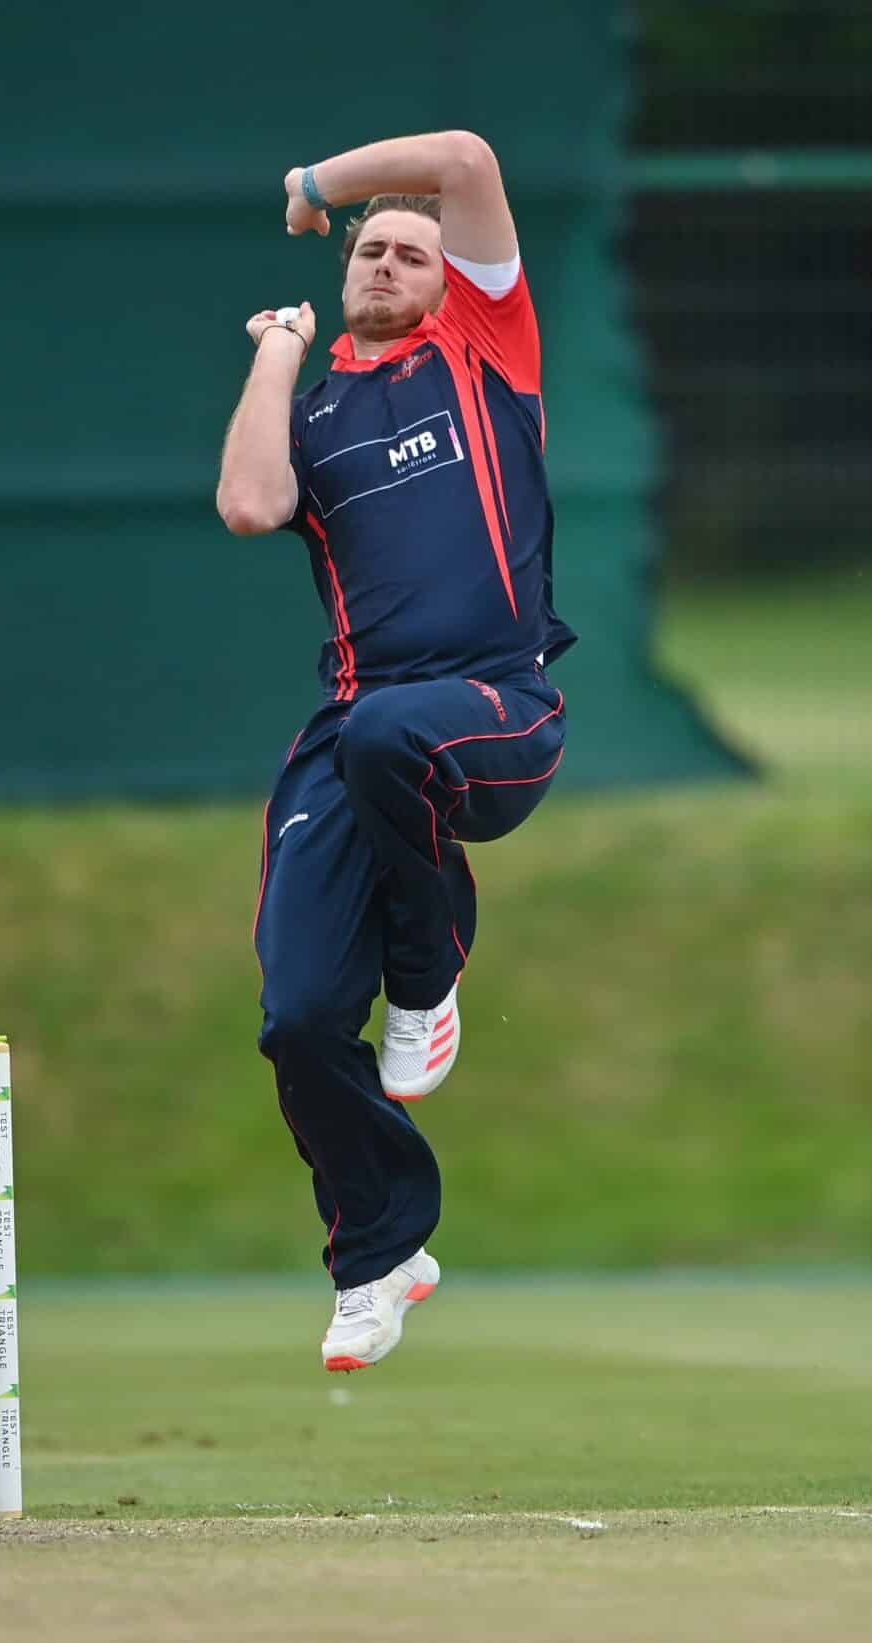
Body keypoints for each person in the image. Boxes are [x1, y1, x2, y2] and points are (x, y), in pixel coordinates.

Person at [216, 131, 573, 1373]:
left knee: (388, 731)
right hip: (355, 728)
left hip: (497, 707)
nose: (383, 262)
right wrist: (277, 351)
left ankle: (424, 975)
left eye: (409, 252)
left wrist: (318, 188)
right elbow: (251, 504)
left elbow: (468, 158)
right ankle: (380, 1254)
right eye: (369, 250)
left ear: (450, 278)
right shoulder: (315, 411)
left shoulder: (484, 346)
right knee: (299, 1019)